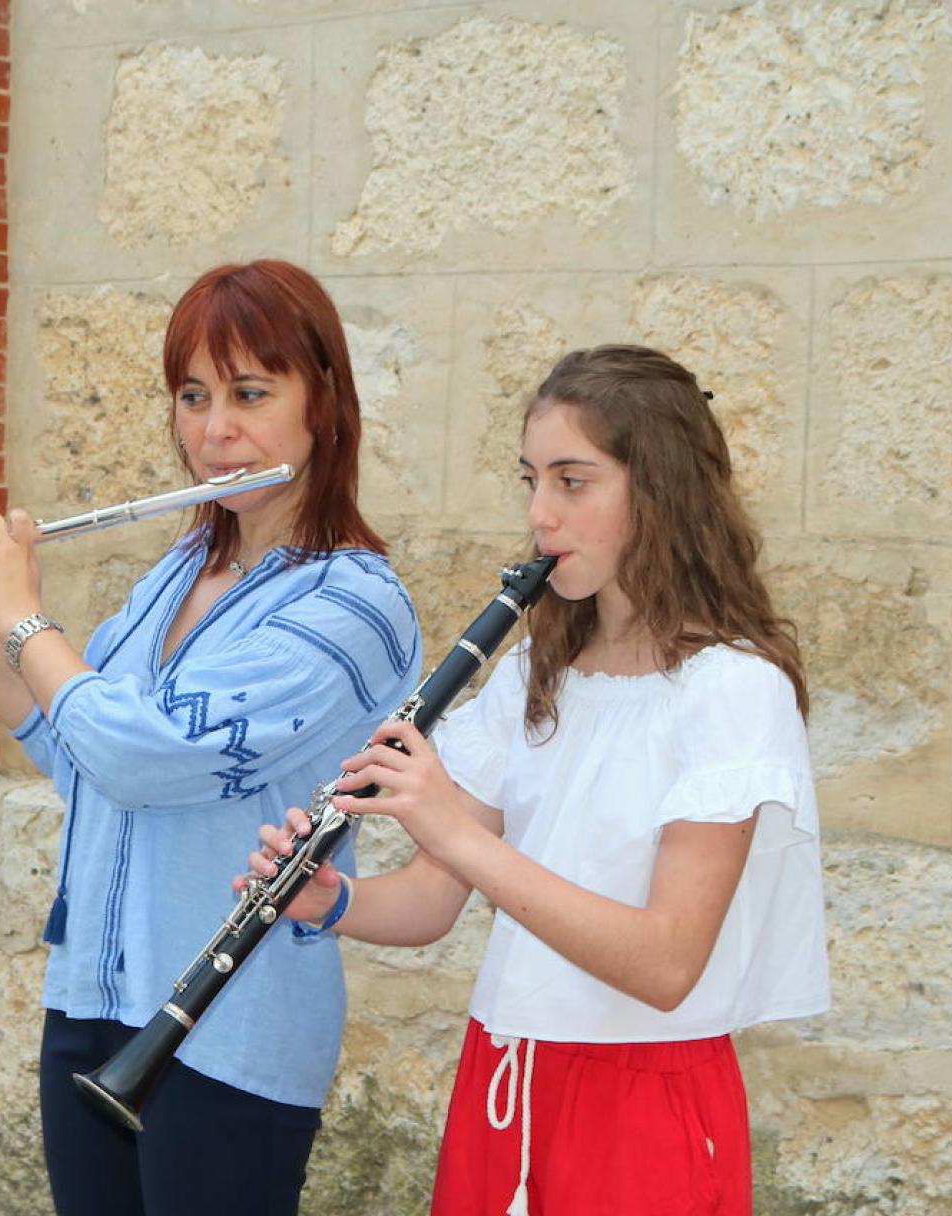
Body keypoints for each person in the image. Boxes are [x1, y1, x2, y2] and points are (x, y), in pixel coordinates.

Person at [0, 261, 421, 1216]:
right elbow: (82, 753)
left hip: (230, 1025)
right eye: (194, 397)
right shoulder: (176, 571)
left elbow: (144, 752)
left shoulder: (355, 604)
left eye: (252, 394)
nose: (216, 432)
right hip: (93, 1000)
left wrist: (20, 618)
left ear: (322, 403)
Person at [247, 345, 828, 1216]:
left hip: (643, 1102)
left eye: (573, 481)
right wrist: (329, 901)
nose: (540, 514)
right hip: (506, 1073)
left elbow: (667, 962)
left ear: (660, 490)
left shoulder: (732, 689)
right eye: (530, 480)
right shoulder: (535, 673)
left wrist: (452, 831)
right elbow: (432, 902)